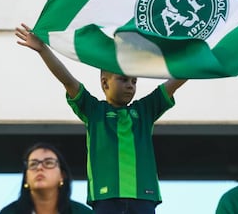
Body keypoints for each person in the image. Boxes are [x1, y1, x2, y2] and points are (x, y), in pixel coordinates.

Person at [15, 23, 187, 214]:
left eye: (134, 81)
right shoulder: (94, 111)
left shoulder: (145, 111)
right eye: (123, 79)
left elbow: (174, 82)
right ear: (105, 83)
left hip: (144, 197)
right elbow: (67, 80)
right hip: (105, 199)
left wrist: (196, 59)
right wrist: (42, 50)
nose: (130, 85)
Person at [0, 142, 93, 214]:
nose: (39, 168)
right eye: (33, 164)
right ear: (26, 178)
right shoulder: (9, 212)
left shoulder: (82, 212)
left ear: (62, 176)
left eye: (48, 163)